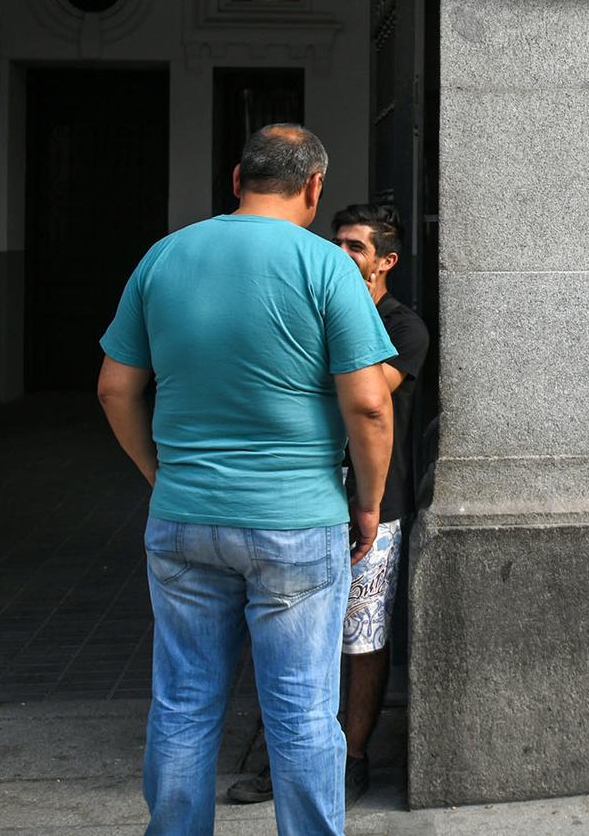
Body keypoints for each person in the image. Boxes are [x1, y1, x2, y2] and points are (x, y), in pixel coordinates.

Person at [96, 124, 396, 836]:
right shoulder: (327, 267)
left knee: (183, 702)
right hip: (296, 518)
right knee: (301, 710)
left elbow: (114, 389)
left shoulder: (164, 256)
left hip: (184, 514)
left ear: (237, 180)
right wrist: (368, 503)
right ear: (315, 187)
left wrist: (159, 473)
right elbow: (369, 404)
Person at [227, 203, 429, 809]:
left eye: (355, 247)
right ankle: (286, 757)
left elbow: (362, 394)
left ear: (386, 261)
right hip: (301, 496)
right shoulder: (314, 310)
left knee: (362, 638)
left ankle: (353, 757)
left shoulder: (404, 328)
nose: (340, 255)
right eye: (335, 242)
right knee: (289, 633)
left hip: (375, 502)